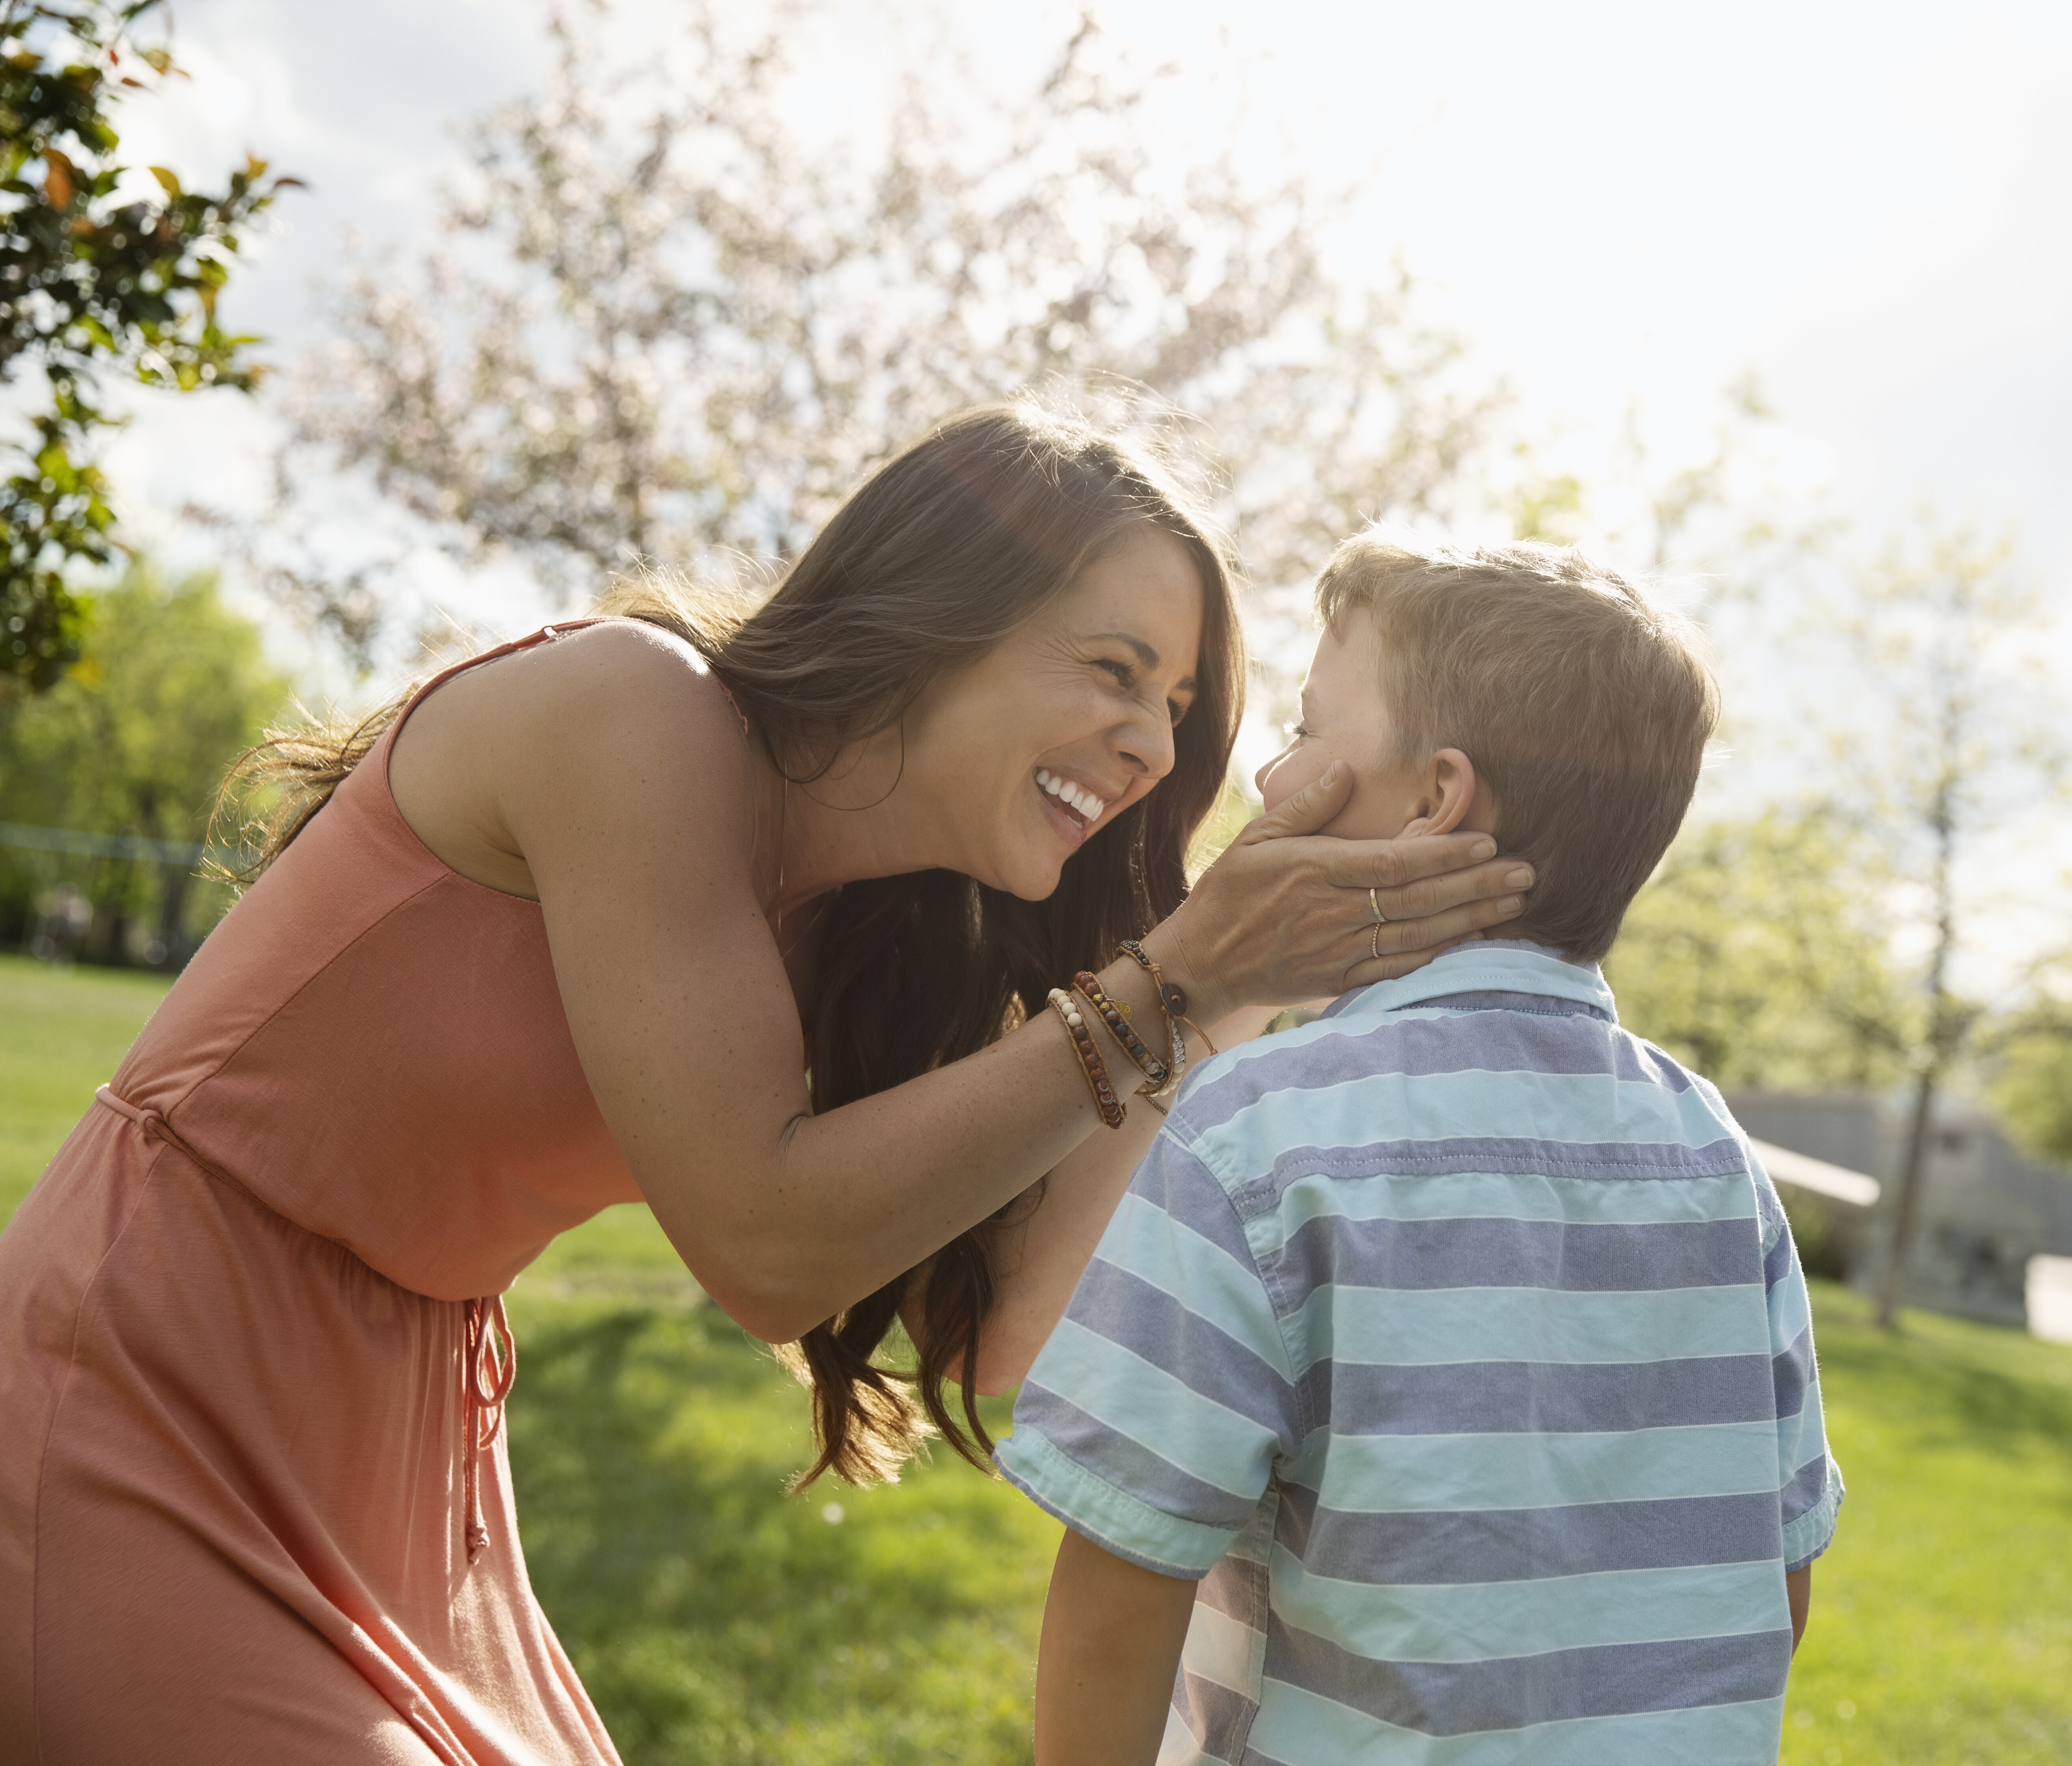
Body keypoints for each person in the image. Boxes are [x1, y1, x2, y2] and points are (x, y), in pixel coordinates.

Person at [0, 407, 1534, 1764]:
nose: (1152, 745)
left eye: (1179, 710)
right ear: (935, 619)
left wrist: (1232, 988)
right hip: (132, 1372)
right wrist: (1177, 977)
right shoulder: (626, 711)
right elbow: (767, 1242)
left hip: (401, 1434)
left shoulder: (894, 923)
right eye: (1117, 671)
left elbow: (993, 1328)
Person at [999, 534, 1845, 1766]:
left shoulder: (1264, 1132)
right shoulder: (1713, 1154)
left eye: (1304, 731)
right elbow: (1778, 1574)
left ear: (1436, 801)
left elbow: (1124, 1570)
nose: (1269, 775)